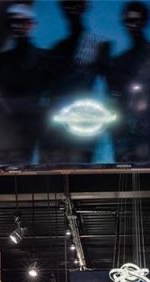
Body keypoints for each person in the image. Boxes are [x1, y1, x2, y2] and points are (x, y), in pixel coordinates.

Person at [105, 1, 150, 163]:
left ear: (144, 22)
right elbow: (112, 97)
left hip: (146, 132)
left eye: (136, 20)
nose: (132, 25)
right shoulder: (118, 61)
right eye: (128, 21)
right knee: (121, 173)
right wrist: (114, 128)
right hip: (122, 132)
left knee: (144, 172)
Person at [41, 0, 111, 164]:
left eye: (76, 4)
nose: (72, 9)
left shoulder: (98, 45)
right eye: (68, 5)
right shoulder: (57, 48)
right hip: (57, 127)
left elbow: (111, 87)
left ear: (84, 7)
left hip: (83, 124)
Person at [0, 4, 50, 166]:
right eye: (14, 22)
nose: (18, 26)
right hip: (7, 125)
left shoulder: (45, 58)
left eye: (23, 22)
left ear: (31, 24)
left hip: (34, 121)